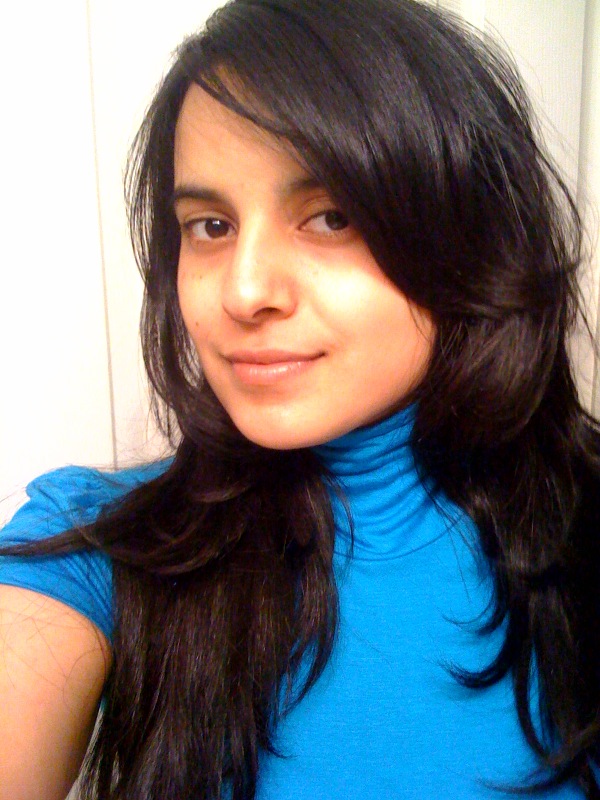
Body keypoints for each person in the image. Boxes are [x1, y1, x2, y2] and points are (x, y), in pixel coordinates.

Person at [1, 0, 599, 797]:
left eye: (331, 217)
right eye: (210, 226)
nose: (243, 291)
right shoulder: (94, 548)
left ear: (471, 234)